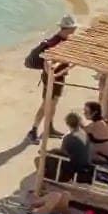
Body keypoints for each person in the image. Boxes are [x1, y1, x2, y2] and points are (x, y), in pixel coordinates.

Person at [25, 15, 78, 143]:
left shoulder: (64, 40)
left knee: (53, 104)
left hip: (58, 77)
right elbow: (47, 62)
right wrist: (51, 77)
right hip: (52, 79)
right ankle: (33, 130)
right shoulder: (54, 43)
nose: (75, 30)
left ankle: (49, 128)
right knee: (46, 105)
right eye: (73, 28)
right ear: (68, 29)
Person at [56, 111, 95, 181]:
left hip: (74, 169)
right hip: (85, 165)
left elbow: (62, 153)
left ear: (67, 124)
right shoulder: (84, 133)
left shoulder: (69, 138)